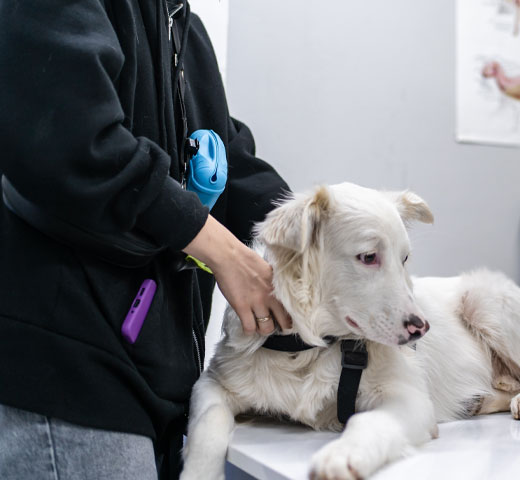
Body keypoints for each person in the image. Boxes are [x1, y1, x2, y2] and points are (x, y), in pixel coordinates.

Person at [0, 1, 290, 478]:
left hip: (155, 376)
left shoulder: (180, 25)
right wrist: (222, 251)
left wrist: (321, 234)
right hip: (70, 367)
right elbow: (77, 143)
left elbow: (232, 162)